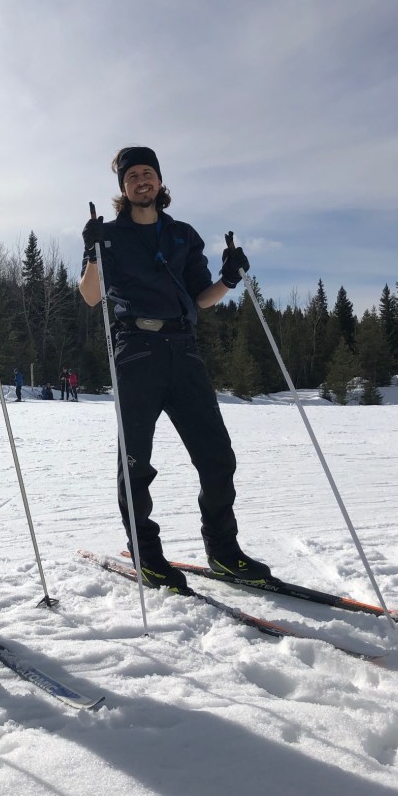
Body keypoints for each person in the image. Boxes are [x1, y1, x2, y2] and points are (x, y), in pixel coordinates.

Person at [79, 144, 272, 594]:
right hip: (135, 350)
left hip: (183, 350)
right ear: (123, 188)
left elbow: (201, 297)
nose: (141, 181)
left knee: (217, 455)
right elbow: (90, 296)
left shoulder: (183, 234)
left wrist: (229, 279)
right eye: (132, 176)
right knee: (136, 461)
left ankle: (223, 551)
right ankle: (147, 554)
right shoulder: (108, 235)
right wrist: (91, 253)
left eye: (147, 173)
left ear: (160, 181)